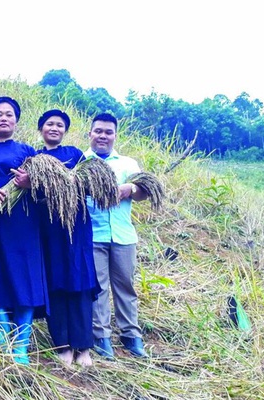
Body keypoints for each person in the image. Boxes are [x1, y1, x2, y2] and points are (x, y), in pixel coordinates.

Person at [0, 96, 49, 365]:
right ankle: (3, 337)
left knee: (24, 279)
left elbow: (45, 183)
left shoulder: (28, 151)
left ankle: (21, 346)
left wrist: (30, 182)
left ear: (16, 121)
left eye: (9, 115)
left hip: (21, 223)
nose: (3, 118)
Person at [36, 109, 100, 367]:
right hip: (49, 229)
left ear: (65, 130)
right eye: (49, 124)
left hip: (76, 228)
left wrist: (67, 181)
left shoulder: (75, 154)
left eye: (59, 125)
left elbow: (90, 182)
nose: (54, 128)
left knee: (81, 282)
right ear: (41, 129)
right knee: (56, 283)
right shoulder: (35, 157)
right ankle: (62, 346)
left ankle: (83, 347)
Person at [84, 113, 149, 359]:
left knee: (125, 286)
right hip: (93, 235)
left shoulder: (128, 164)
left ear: (115, 135)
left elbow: (144, 191)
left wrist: (130, 189)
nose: (103, 136)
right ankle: (101, 337)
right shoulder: (81, 161)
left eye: (108, 132)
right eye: (98, 131)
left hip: (123, 235)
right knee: (98, 288)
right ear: (90, 133)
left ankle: (131, 336)